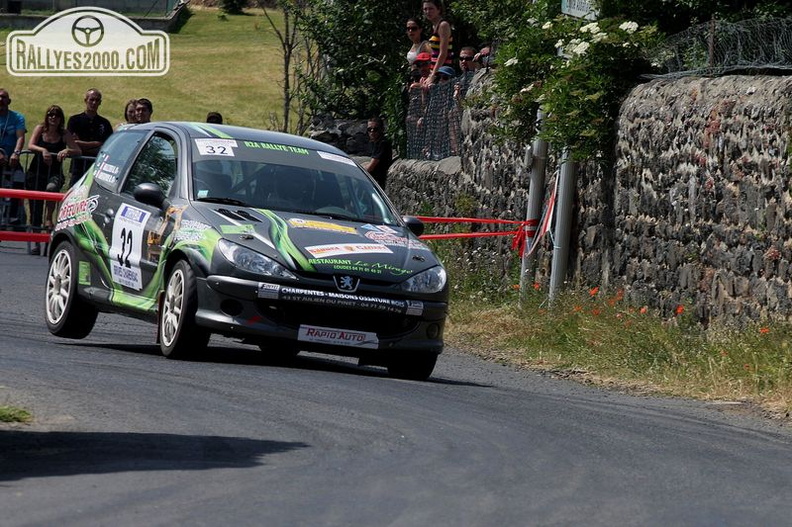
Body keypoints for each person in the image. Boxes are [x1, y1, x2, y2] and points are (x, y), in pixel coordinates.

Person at [25, 105, 81, 254]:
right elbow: (30, 145)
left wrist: (67, 150)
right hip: (35, 172)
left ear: (61, 118)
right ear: (47, 116)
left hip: (54, 173)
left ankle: (49, 216)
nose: (53, 118)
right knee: (35, 210)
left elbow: (77, 150)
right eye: (50, 114)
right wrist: (43, 150)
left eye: (56, 115)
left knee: (51, 189)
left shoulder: (64, 134)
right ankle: (36, 243)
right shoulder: (40, 129)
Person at [67, 88, 112, 189]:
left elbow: (107, 146)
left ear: (100, 102)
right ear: (85, 100)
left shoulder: (105, 123)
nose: (94, 102)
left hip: (96, 168)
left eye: (97, 100)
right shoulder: (74, 120)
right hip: (78, 167)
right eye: (91, 99)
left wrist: (82, 145)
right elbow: (72, 143)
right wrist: (97, 143)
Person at [0, 88, 27, 229]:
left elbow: (20, 137)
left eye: (4, 97)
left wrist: (16, 153)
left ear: (9, 101)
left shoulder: (17, 118)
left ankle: (14, 215)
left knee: (19, 179)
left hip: (11, 160)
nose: (1, 100)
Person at [422, 0, 454, 87]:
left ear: (438, 9)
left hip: (443, 71)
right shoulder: (433, 26)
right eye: (425, 9)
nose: (428, 12)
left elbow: (443, 53)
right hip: (436, 69)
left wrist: (433, 75)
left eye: (431, 9)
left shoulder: (443, 25)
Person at [364, 117, 393, 189]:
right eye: (369, 129)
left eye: (375, 129)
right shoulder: (375, 142)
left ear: (381, 129)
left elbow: (370, 167)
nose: (372, 131)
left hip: (377, 183)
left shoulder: (382, 143)